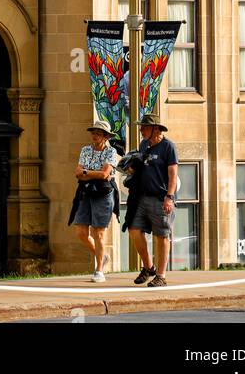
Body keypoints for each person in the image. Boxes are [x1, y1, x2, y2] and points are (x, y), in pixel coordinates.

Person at [126, 112, 179, 288]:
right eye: (141, 127)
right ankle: (149, 267)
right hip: (142, 197)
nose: (141, 130)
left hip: (161, 197)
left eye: (144, 127)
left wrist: (169, 197)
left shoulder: (168, 147)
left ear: (155, 129)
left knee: (161, 235)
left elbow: (173, 175)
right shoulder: (144, 144)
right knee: (134, 229)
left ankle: (161, 276)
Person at [68, 121, 119, 282]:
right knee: (81, 232)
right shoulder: (86, 150)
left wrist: (86, 172)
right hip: (86, 192)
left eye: (98, 133)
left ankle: (99, 271)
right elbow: (77, 172)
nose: (94, 135)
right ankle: (102, 256)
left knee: (99, 232)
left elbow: (105, 175)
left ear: (105, 136)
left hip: (103, 193)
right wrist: (90, 173)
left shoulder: (111, 151)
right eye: (93, 132)